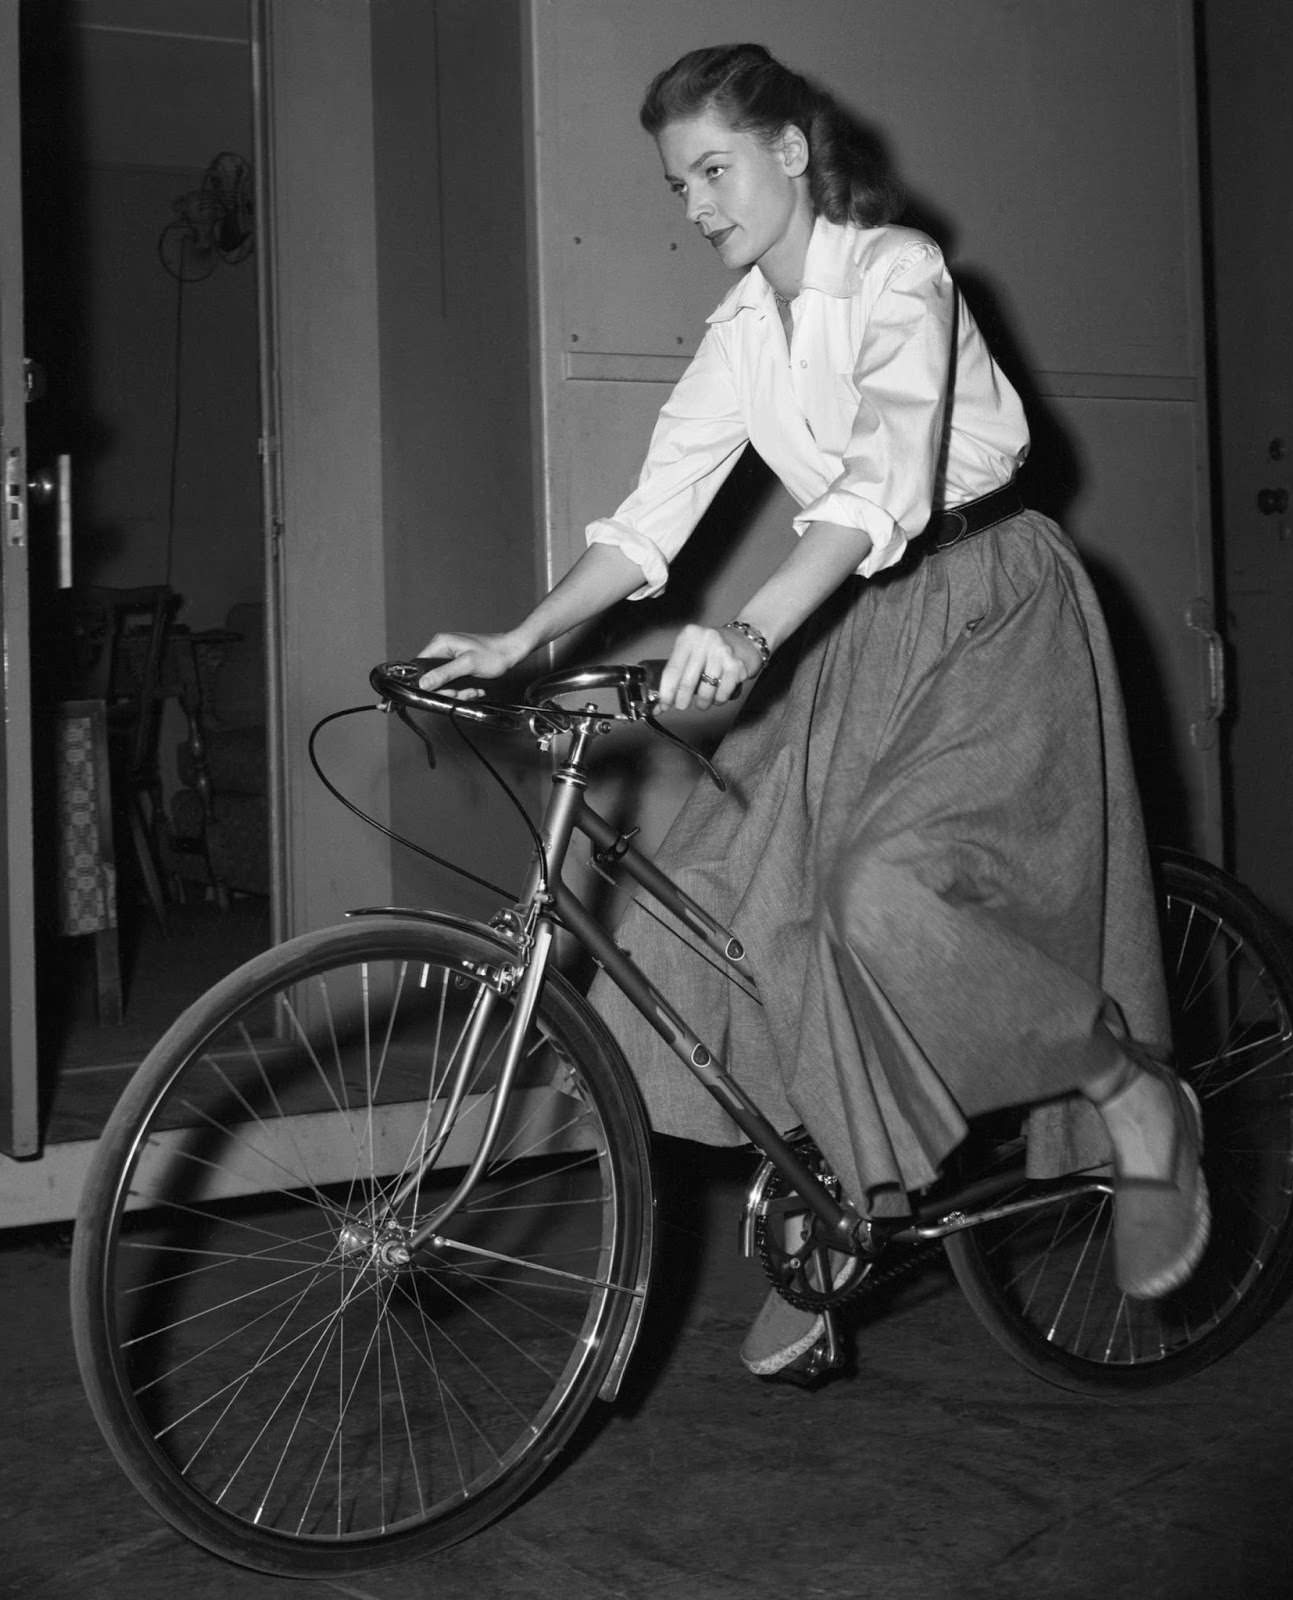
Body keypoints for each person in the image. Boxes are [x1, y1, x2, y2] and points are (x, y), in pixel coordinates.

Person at [419, 42, 1208, 1379]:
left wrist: (743, 631)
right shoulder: (743, 329)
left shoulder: (896, 273)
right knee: (736, 897)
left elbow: (874, 488)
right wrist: (521, 636)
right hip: (868, 628)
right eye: (678, 185)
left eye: (714, 170)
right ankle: (849, 1182)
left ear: (788, 149)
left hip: (991, 604)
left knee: (879, 900)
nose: (697, 207)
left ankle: (1125, 1089)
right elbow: (651, 514)